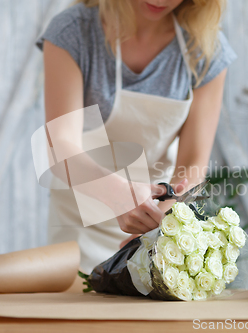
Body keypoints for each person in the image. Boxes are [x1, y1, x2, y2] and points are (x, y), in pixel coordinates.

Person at [36, 0, 236, 274]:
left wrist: (161, 227)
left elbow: (191, 166)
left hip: (151, 229)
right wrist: (118, 194)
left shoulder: (206, 49)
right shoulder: (73, 32)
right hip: (77, 233)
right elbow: (59, 147)